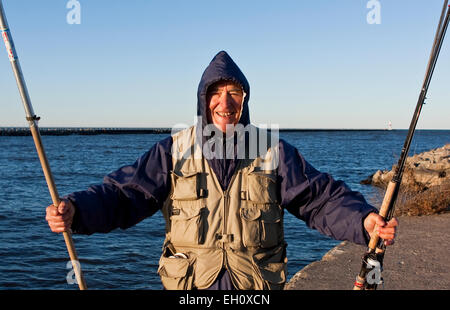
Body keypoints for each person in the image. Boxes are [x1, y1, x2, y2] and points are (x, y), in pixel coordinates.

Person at [46, 51, 398, 290]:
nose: (225, 102)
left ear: (245, 100)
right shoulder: (172, 149)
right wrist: (76, 210)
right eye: (216, 92)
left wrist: (363, 220)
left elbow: (317, 199)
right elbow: (125, 195)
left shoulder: (272, 150)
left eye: (234, 92)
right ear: (203, 99)